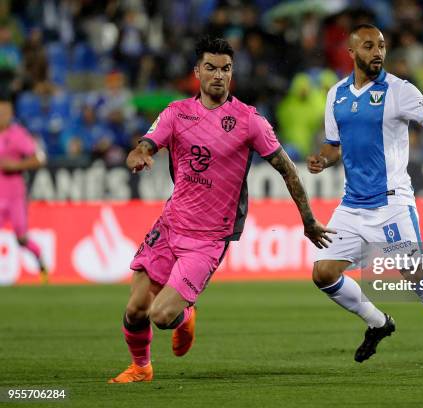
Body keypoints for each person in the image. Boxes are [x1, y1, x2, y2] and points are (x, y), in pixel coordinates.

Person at [108, 36, 333, 383]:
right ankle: (141, 368)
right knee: (136, 308)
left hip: (209, 238)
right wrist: (140, 154)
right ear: (197, 71)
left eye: (226, 69)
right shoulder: (176, 112)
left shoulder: (248, 121)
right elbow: (145, 145)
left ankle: (185, 317)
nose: (218, 75)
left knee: (162, 315)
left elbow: (287, 169)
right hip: (170, 225)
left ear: (232, 73)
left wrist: (308, 220)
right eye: (211, 68)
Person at [307, 24, 423, 366]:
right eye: (369, 46)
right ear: (351, 53)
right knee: (323, 273)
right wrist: (323, 158)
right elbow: (334, 145)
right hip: (352, 207)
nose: (378, 51)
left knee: (415, 272)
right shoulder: (336, 94)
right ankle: (378, 322)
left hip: (392, 204)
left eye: (381, 45)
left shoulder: (400, 90)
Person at [0, 95, 47, 282]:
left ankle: (40, 261)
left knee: (21, 238)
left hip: (14, 195)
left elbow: (39, 158)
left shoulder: (17, 134)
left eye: (5, 112)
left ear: (11, 114)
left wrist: (16, 165)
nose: (2, 115)